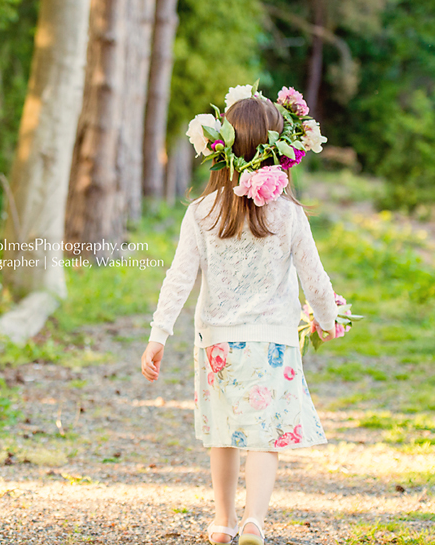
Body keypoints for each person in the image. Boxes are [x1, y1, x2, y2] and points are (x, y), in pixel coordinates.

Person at [140, 85, 337, 545]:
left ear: (222, 145)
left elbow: (179, 278)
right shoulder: (288, 214)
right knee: (265, 438)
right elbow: (315, 276)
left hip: (218, 346)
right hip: (274, 343)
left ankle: (223, 522)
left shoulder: (202, 211)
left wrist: (158, 335)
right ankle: (254, 522)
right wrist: (327, 320)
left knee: (224, 433)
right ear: (279, 147)